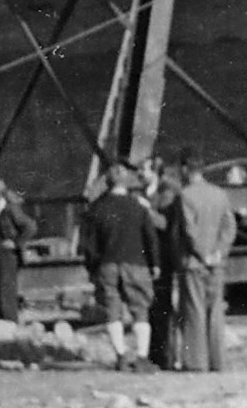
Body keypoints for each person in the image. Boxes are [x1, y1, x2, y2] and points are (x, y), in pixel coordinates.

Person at [77, 164, 158, 371]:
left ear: (107, 182)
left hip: (107, 265)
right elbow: (150, 237)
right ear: (126, 182)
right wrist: (154, 263)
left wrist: (92, 267)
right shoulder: (138, 207)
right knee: (140, 310)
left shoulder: (96, 208)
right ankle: (141, 358)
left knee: (112, 311)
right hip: (136, 264)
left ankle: (121, 356)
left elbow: (89, 245)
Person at [170, 148, 237, 372]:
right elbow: (229, 227)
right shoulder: (220, 193)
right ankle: (218, 361)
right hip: (217, 263)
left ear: (186, 169)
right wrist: (219, 252)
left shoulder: (185, 196)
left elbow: (189, 232)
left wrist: (203, 255)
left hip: (194, 263)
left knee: (194, 311)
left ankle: (196, 363)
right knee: (215, 312)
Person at [137, 156, 181, 367]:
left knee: (162, 307)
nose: (139, 174)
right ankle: (153, 354)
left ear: (154, 172)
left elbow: (165, 224)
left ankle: (166, 356)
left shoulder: (166, 194)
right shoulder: (142, 193)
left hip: (162, 258)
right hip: (146, 258)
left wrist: (146, 209)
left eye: (143, 170)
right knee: (150, 307)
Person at [0, 177, 37, 325]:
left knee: (7, 294)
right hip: (0, 256)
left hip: (8, 257)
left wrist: (16, 242)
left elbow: (30, 226)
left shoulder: (10, 210)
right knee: (2, 292)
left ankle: (11, 324)